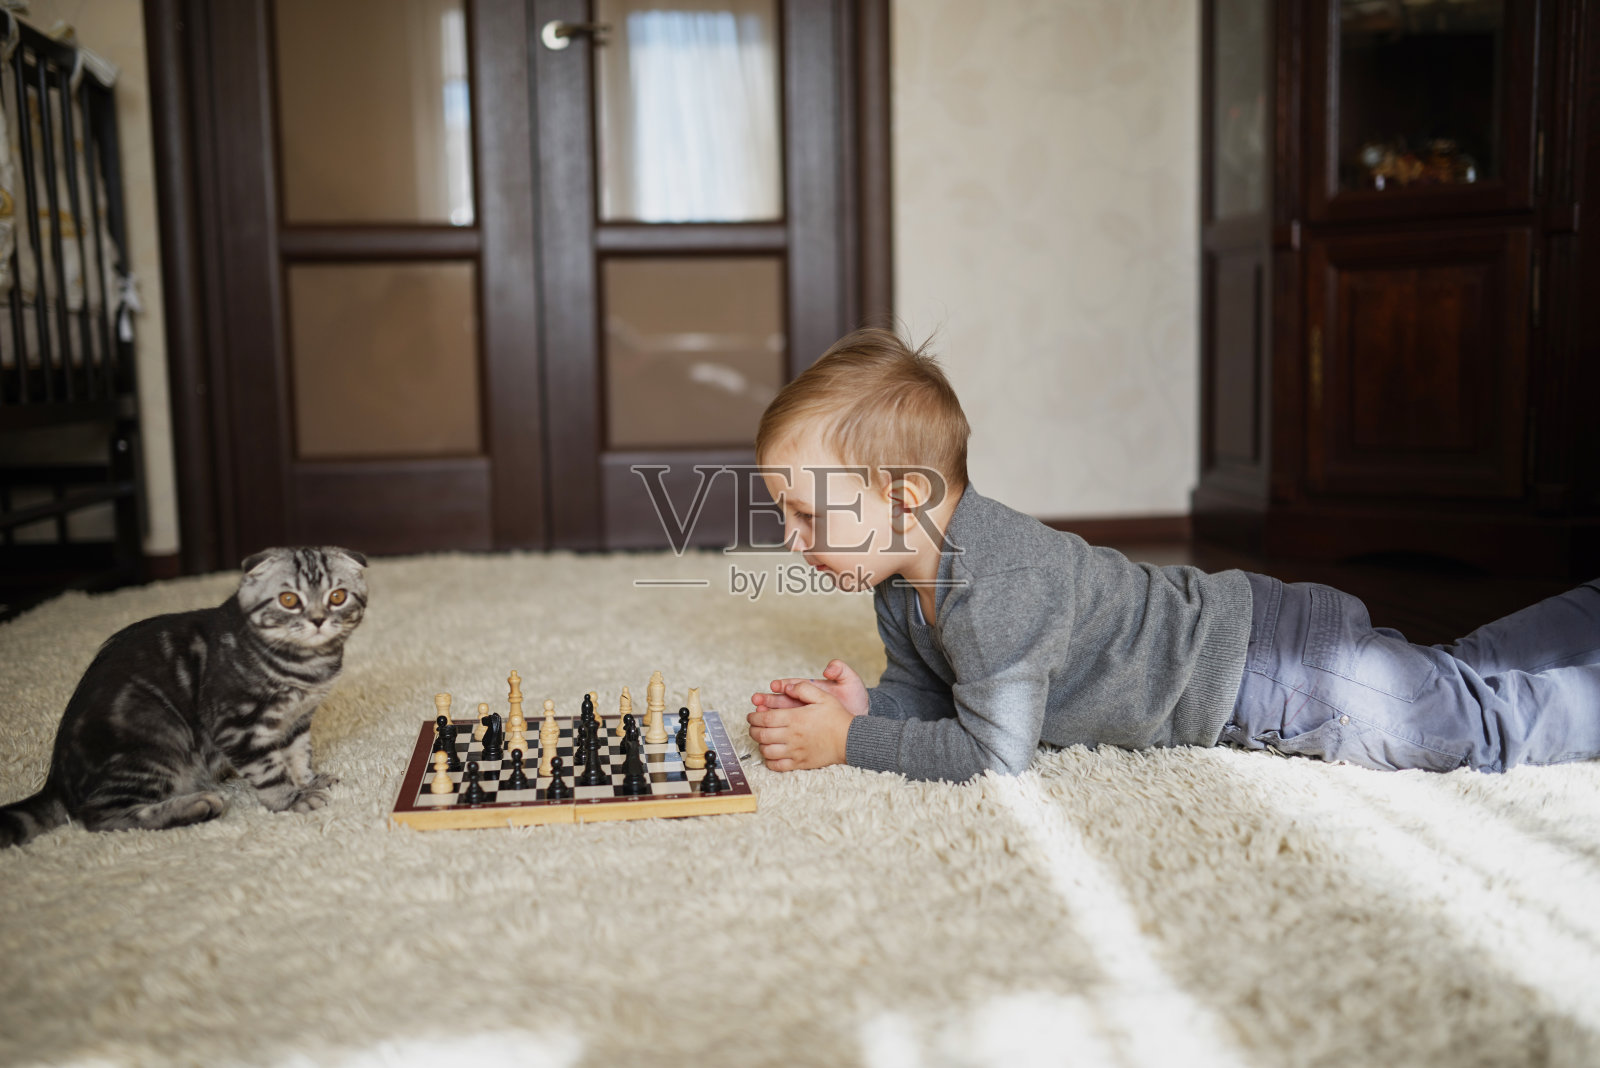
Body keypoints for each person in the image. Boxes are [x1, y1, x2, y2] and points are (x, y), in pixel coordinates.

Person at [745, 328, 1600, 781]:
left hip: (1278, 678)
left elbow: (993, 755)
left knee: (1482, 728)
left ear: (904, 499)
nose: (792, 540)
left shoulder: (997, 580)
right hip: (1267, 649)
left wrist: (846, 746)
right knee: (1460, 672)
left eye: (809, 516)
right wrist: (870, 711)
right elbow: (939, 695)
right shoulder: (900, 584)